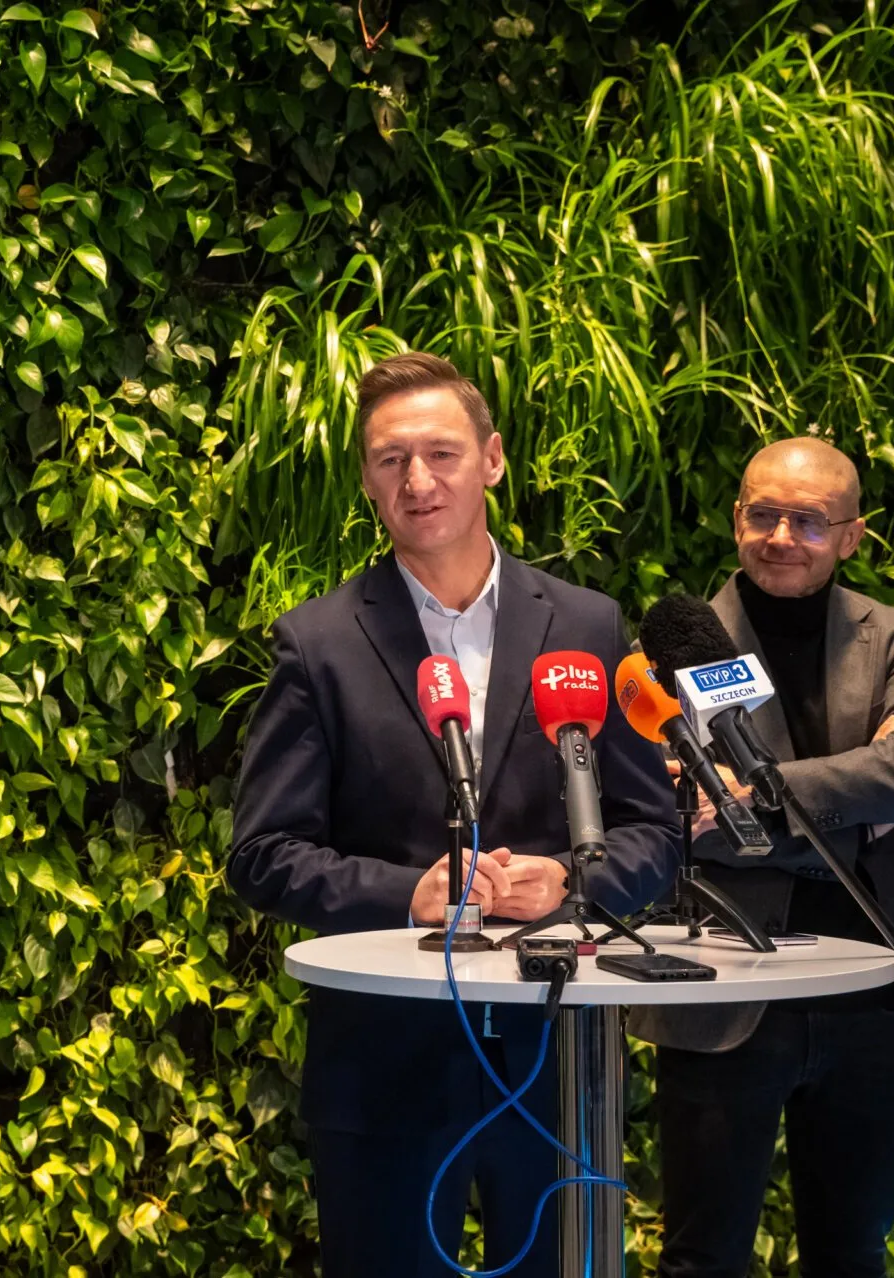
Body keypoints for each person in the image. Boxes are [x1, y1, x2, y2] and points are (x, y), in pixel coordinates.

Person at [227, 352, 677, 1276]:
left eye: (440, 452)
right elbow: (263, 854)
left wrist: (569, 879)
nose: (417, 481)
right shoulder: (317, 642)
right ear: (365, 480)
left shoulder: (588, 625)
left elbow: (655, 831)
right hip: (383, 1067)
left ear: (493, 460)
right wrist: (412, 893)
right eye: (391, 460)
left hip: (558, 1060)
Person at [628, 437, 894, 1278]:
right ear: (737, 519)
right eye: (764, 514)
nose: (781, 536)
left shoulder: (892, 635)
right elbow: (678, 814)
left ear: (851, 535)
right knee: (703, 1258)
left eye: (809, 520)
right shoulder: (678, 643)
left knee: (853, 1254)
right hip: (724, 987)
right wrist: (856, 800)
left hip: (870, 986)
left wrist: (757, 794)